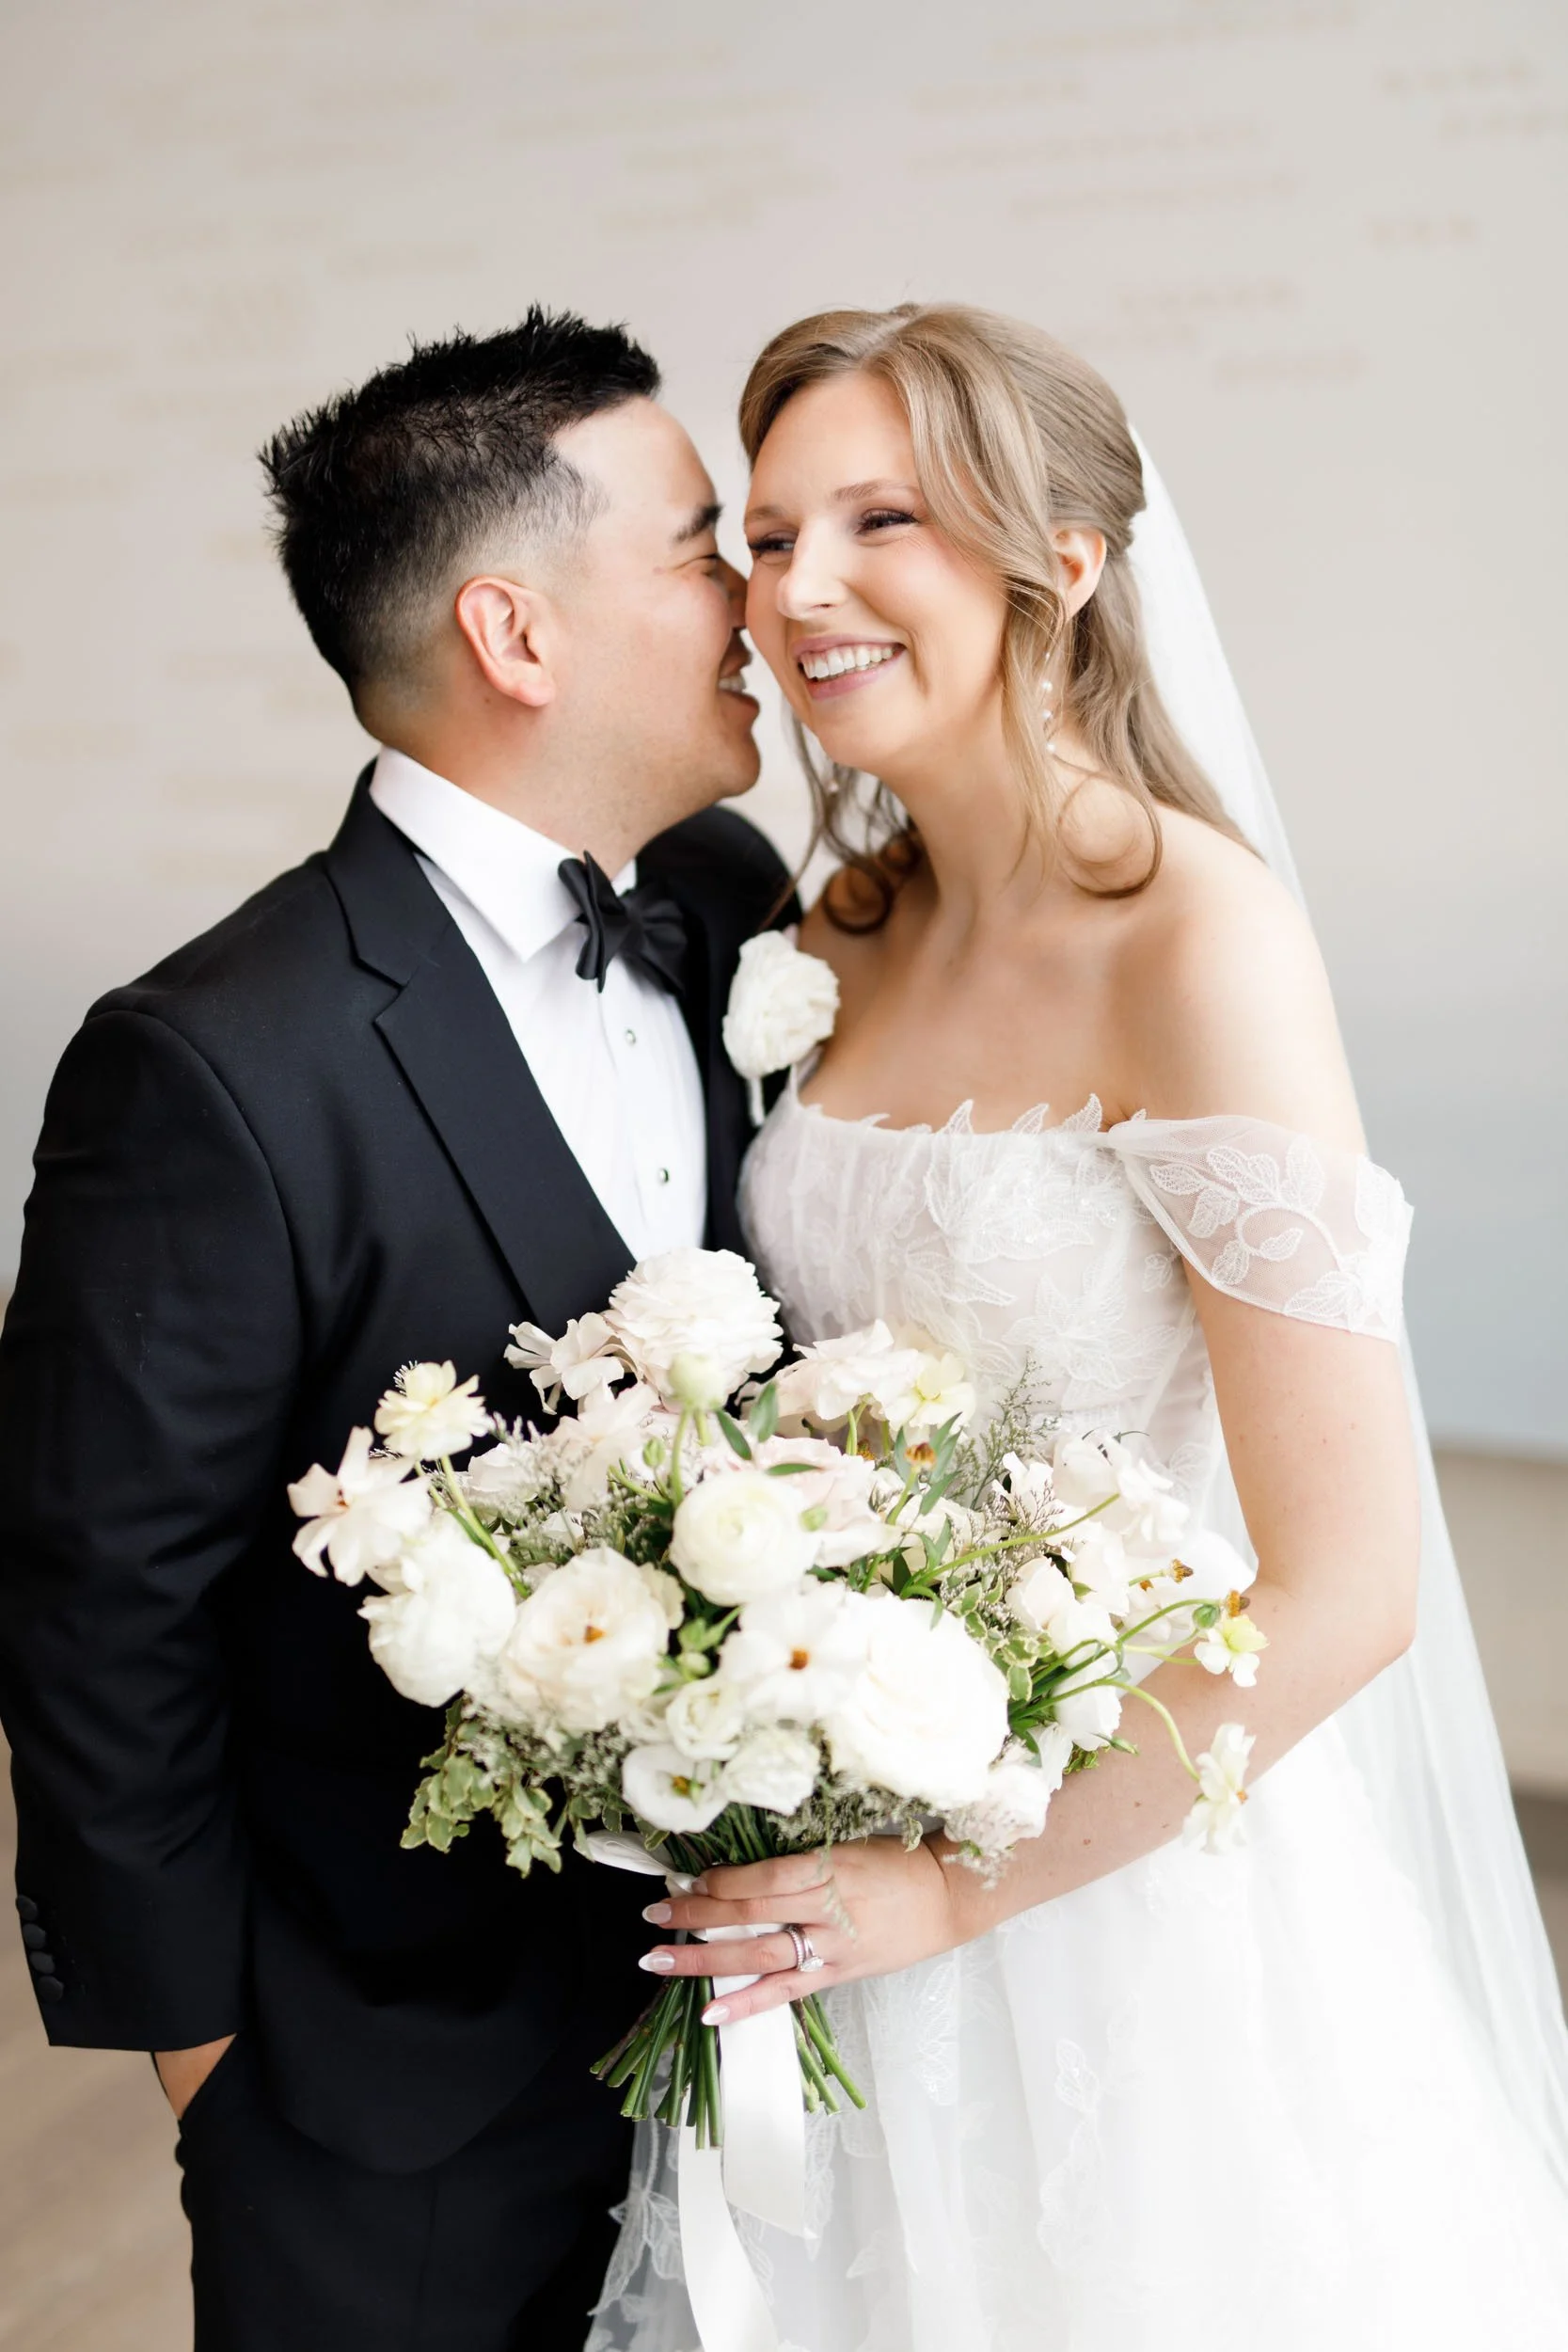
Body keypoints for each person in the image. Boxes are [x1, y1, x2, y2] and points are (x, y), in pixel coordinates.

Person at [591, 305, 1568, 2349]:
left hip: (1126, 1898)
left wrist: (957, 1887)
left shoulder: (1195, 941)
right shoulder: (834, 931)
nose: (801, 588)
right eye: (765, 536)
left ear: (1064, 559)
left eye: (883, 520)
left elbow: (1349, 1590)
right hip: (831, 1840)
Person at [0, 309, 790, 2351]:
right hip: (386, 2096)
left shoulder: (727, 900)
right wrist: (217, 2076)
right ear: (513, 633)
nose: (758, 594)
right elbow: (98, 1602)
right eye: (702, 545)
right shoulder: (211, 1059)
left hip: (773, 2039)